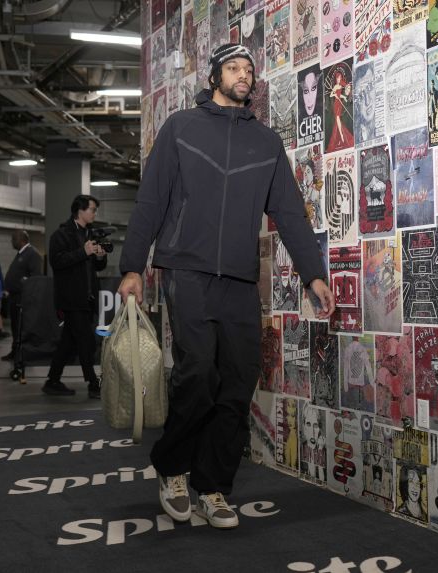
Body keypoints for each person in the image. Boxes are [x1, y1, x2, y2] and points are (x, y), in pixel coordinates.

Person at [118, 42, 335, 530]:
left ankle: (213, 486)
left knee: (238, 381)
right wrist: (132, 265)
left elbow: (290, 216)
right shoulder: (181, 129)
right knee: (197, 373)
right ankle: (173, 469)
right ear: (215, 75)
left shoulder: (266, 144)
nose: (243, 75)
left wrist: (313, 274)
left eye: (248, 69)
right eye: (234, 68)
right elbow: (151, 201)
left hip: (239, 277)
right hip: (186, 268)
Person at [43, 195, 108, 398]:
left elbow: (96, 267)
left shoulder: (88, 233)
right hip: (71, 299)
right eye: (92, 209)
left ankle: (52, 380)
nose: (94, 213)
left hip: (86, 298)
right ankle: (92, 384)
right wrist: (83, 251)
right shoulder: (61, 235)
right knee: (86, 340)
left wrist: (99, 256)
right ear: (80, 210)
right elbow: (58, 261)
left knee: (69, 342)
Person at [1, 230, 43, 362]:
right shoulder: (21, 253)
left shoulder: (32, 254)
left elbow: (35, 277)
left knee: (21, 327)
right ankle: (15, 350)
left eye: (14, 239)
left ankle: (23, 352)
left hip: (23, 298)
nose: (12, 242)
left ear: (22, 240)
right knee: (15, 326)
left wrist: (24, 287)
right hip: (15, 297)